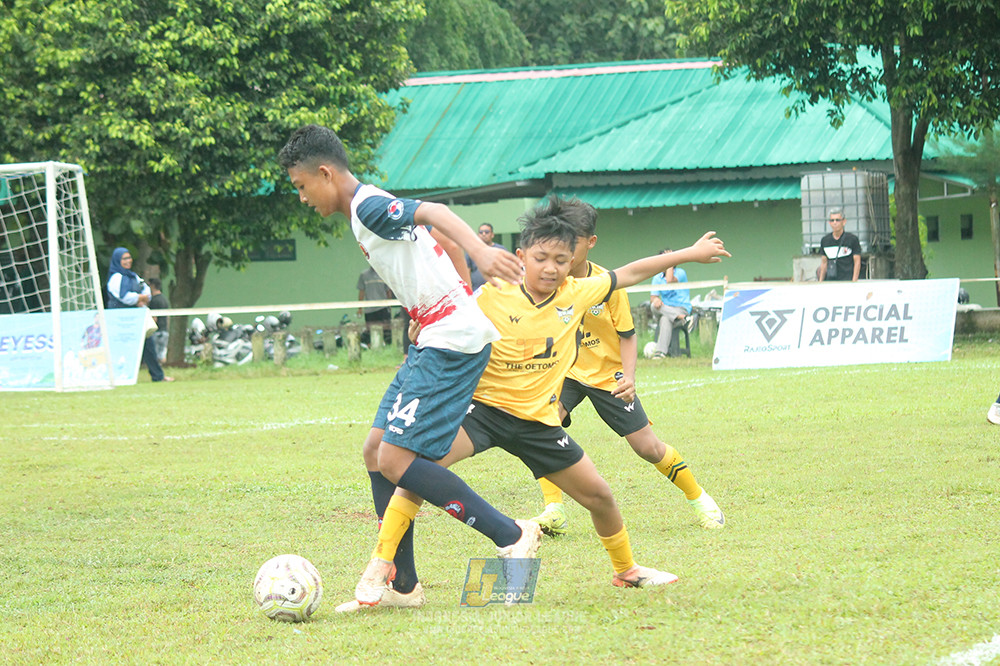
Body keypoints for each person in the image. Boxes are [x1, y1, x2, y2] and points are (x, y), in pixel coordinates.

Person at [354, 195, 729, 606]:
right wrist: (421, 330)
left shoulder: (578, 293)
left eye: (561, 260)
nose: (551, 268)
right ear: (521, 257)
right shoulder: (491, 294)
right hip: (482, 414)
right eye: (541, 258)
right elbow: (450, 322)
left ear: (573, 262)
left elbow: (632, 272)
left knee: (600, 497)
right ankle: (381, 565)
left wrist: (689, 253)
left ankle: (626, 570)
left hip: (539, 423)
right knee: (418, 472)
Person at [278, 124, 539, 612]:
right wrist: (444, 303)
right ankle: (404, 588)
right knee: (375, 451)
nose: (302, 197)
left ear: (325, 173)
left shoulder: (368, 206)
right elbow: (440, 243)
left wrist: (480, 255)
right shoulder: (367, 208)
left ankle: (510, 534)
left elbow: (436, 213)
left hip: (452, 343)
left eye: (302, 185)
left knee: (397, 461)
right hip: (436, 333)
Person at [529, 208, 724, 536]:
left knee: (648, 448)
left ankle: (699, 498)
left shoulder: (606, 284)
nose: (564, 248)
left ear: (591, 242)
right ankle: (555, 509)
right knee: (539, 426)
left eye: (573, 241)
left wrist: (629, 377)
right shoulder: (549, 280)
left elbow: (628, 336)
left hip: (609, 376)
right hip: (568, 372)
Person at [105, 247, 173, 382]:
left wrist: (141, 298)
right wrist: (139, 298)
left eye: (129, 257)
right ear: (117, 260)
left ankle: (158, 376)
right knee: (121, 347)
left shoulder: (133, 276)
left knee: (149, 345)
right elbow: (124, 297)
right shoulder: (115, 278)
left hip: (136, 317)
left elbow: (146, 291)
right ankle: (118, 376)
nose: (128, 261)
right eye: (124, 258)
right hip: (120, 318)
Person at [649, 249, 692, 359]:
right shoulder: (657, 278)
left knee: (665, 319)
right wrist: (656, 300)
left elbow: (669, 280)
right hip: (666, 309)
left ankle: (660, 353)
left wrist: (670, 261)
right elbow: (653, 297)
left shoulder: (680, 273)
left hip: (681, 308)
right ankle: (682, 318)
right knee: (653, 306)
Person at [818, 208, 862, 282]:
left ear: (844, 222)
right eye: (832, 220)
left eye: (837, 220)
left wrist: (854, 281)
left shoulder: (852, 239)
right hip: (831, 281)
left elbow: (857, 262)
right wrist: (820, 282)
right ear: (829, 223)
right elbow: (824, 263)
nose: (835, 223)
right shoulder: (825, 240)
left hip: (847, 280)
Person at [356, 266, 393, 345]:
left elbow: (388, 292)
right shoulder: (364, 275)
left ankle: (388, 347)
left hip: (383, 308)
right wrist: (360, 308)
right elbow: (361, 292)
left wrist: (389, 305)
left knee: (387, 332)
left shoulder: (384, 274)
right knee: (370, 332)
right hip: (370, 310)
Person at [466, 222, 507, 290]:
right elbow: (467, 271)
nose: (483, 234)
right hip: (477, 290)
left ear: (492, 235)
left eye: (486, 232)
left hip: (497, 290)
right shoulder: (472, 251)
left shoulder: (500, 250)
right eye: (481, 232)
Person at [147, 277, 170, 363]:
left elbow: (154, 318)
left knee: (155, 355)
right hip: (164, 331)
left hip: (156, 332)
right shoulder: (164, 300)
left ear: (152, 286)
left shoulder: (154, 300)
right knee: (162, 354)